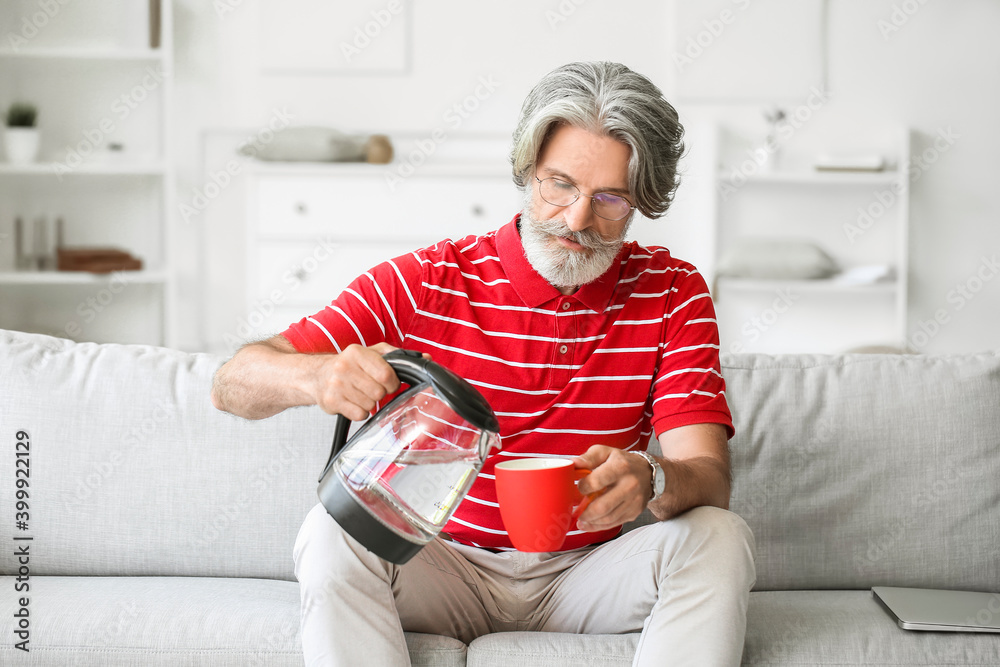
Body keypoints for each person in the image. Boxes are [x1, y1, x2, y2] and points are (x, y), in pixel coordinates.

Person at [211, 61, 755, 666]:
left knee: (720, 538)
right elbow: (233, 382)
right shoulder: (426, 280)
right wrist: (316, 376)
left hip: (586, 575)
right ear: (528, 172)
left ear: (641, 203)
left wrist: (651, 476)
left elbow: (706, 475)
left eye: (609, 198)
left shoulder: (672, 292)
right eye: (559, 184)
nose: (577, 219)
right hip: (438, 567)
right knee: (330, 530)